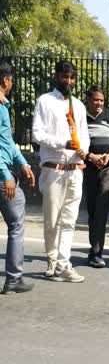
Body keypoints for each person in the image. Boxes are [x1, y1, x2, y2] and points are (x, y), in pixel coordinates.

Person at [32, 60, 89, 283]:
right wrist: (62, 143)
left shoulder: (80, 106)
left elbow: (84, 136)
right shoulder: (45, 101)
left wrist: (83, 150)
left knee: (69, 220)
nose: (68, 81)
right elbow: (37, 134)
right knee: (51, 221)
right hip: (53, 169)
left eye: (72, 77)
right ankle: (52, 259)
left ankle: (64, 264)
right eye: (65, 76)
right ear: (56, 76)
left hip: (75, 169)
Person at [0, 62, 35, 294]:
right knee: (16, 225)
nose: (12, 84)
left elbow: (7, 141)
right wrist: (6, 174)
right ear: (5, 80)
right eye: (11, 80)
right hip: (3, 178)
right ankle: (13, 278)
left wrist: (23, 163)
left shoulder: (4, 106)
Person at [83, 86, 109, 268]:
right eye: (96, 100)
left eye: (101, 100)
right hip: (88, 168)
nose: (99, 103)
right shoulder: (80, 116)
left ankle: (98, 252)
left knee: (102, 207)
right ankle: (93, 248)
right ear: (88, 100)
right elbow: (77, 142)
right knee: (92, 209)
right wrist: (92, 157)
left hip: (108, 168)